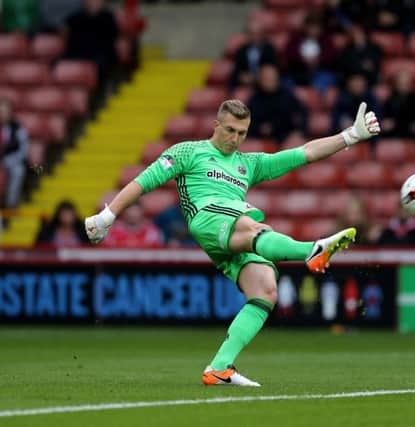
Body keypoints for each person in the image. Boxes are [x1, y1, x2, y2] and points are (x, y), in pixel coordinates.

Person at [84, 99, 380, 386]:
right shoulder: (189, 151)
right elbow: (143, 182)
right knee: (250, 221)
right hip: (207, 219)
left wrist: (350, 136)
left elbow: (305, 153)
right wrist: (107, 217)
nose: (235, 138)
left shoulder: (248, 164)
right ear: (216, 125)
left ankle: (219, 367)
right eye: (230, 130)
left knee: (266, 289)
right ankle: (311, 250)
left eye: (242, 133)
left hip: (228, 236)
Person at [247, 64, 308, 143]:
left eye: (272, 76)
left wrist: (299, 131)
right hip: (261, 139)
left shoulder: (288, 96)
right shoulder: (254, 99)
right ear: (260, 79)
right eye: (266, 77)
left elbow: (302, 113)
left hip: (285, 136)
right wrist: (260, 129)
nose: (270, 80)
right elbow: (247, 123)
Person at [63, 0, 118, 83]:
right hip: (77, 54)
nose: (93, 2)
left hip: (100, 55)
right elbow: (70, 42)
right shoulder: (75, 18)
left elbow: (110, 42)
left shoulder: (108, 18)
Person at [228, 20, 278, 90]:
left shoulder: (269, 49)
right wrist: (241, 77)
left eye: (257, 34)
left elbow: (273, 69)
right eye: (251, 34)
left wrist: (258, 77)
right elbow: (236, 71)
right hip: (245, 84)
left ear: (262, 34)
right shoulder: (241, 50)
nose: (254, 37)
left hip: (264, 83)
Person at [381, 69, 415, 142]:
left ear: (410, 84)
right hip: (395, 129)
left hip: (411, 129)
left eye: (406, 84)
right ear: (396, 84)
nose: (403, 87)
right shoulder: (391, 97)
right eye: (401, 84)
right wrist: (386, 123)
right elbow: (386, 117)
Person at [0, 98, 29, 209]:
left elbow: (23, 150)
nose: (2, 115)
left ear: (10, 113)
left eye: (4, 112)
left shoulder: (18, 128)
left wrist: (9, 160)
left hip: (12, 161)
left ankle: (10, 205)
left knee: (18, 171)